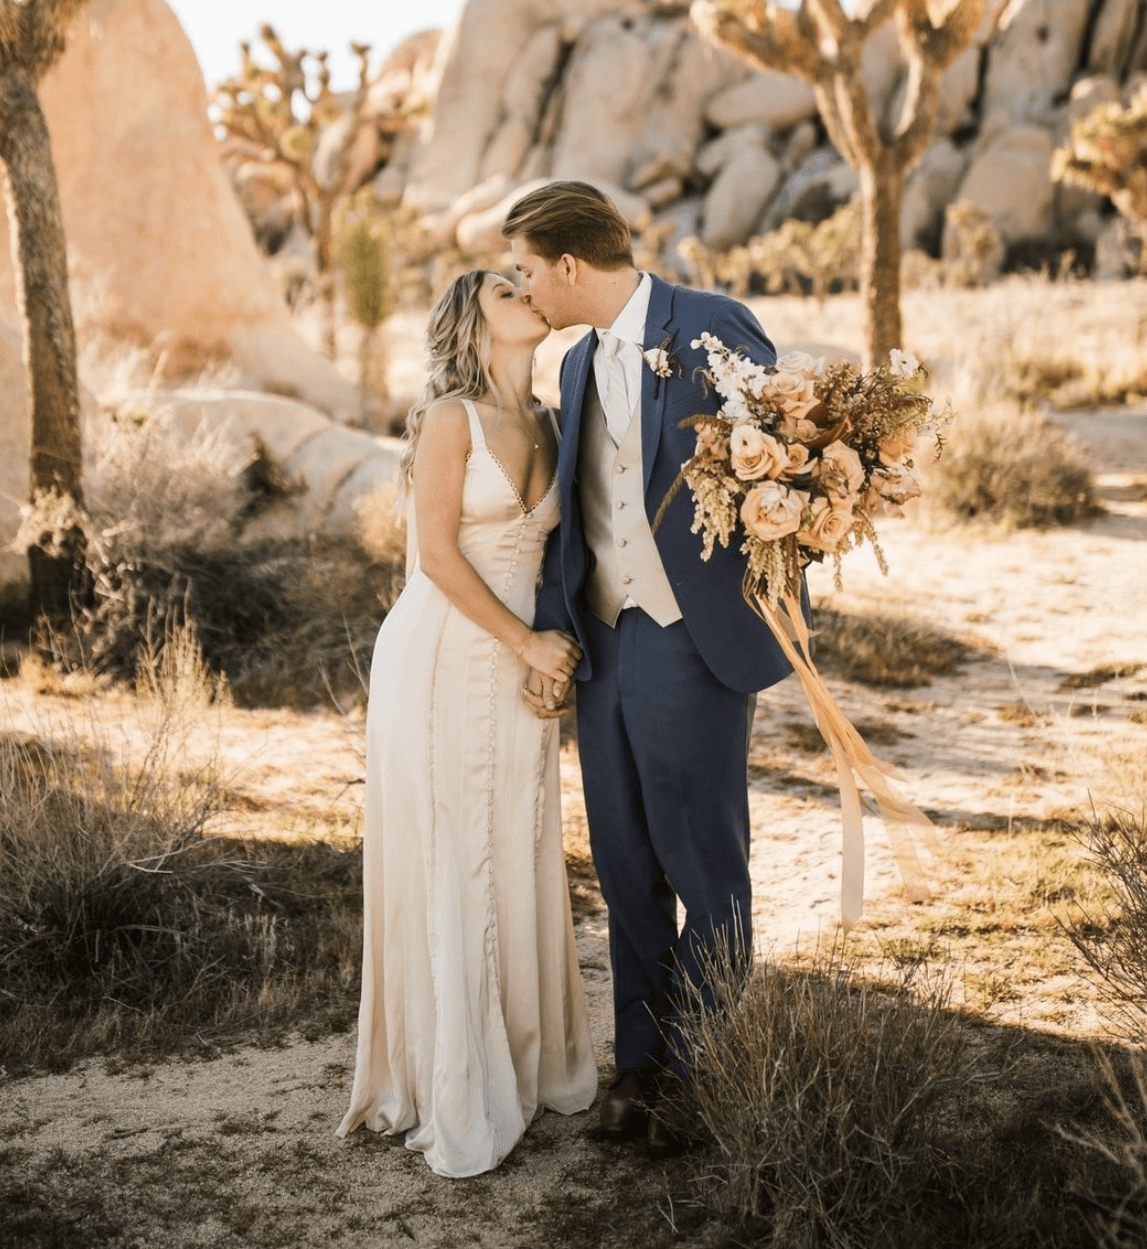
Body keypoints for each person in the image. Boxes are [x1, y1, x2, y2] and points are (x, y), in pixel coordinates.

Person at [502, 181, 802, 1154]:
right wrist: (557, 630)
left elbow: (785, 471)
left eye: (527, 271)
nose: (524, 290)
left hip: (689, 638)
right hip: (605, 642)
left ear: (569, 266)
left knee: (699, 855)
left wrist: (774, 607)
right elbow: (585, 518)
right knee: (625, 858)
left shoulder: (713, 327)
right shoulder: (579, 366)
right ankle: (641, 1065)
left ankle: (710, 1068)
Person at [337, 269, 598, 1179]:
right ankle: (454, 1080)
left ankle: (525, 1064)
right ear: (469, 320)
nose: (525, 290)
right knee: (455, 850)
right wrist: (525, 642)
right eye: (502, 287)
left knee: (518, 843)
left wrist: (550, 655)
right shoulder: (450, 419)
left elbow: (561, 552)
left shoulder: (556, 420)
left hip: (522, 657)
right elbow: (438, 557)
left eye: (528, 281)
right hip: (445, 651)